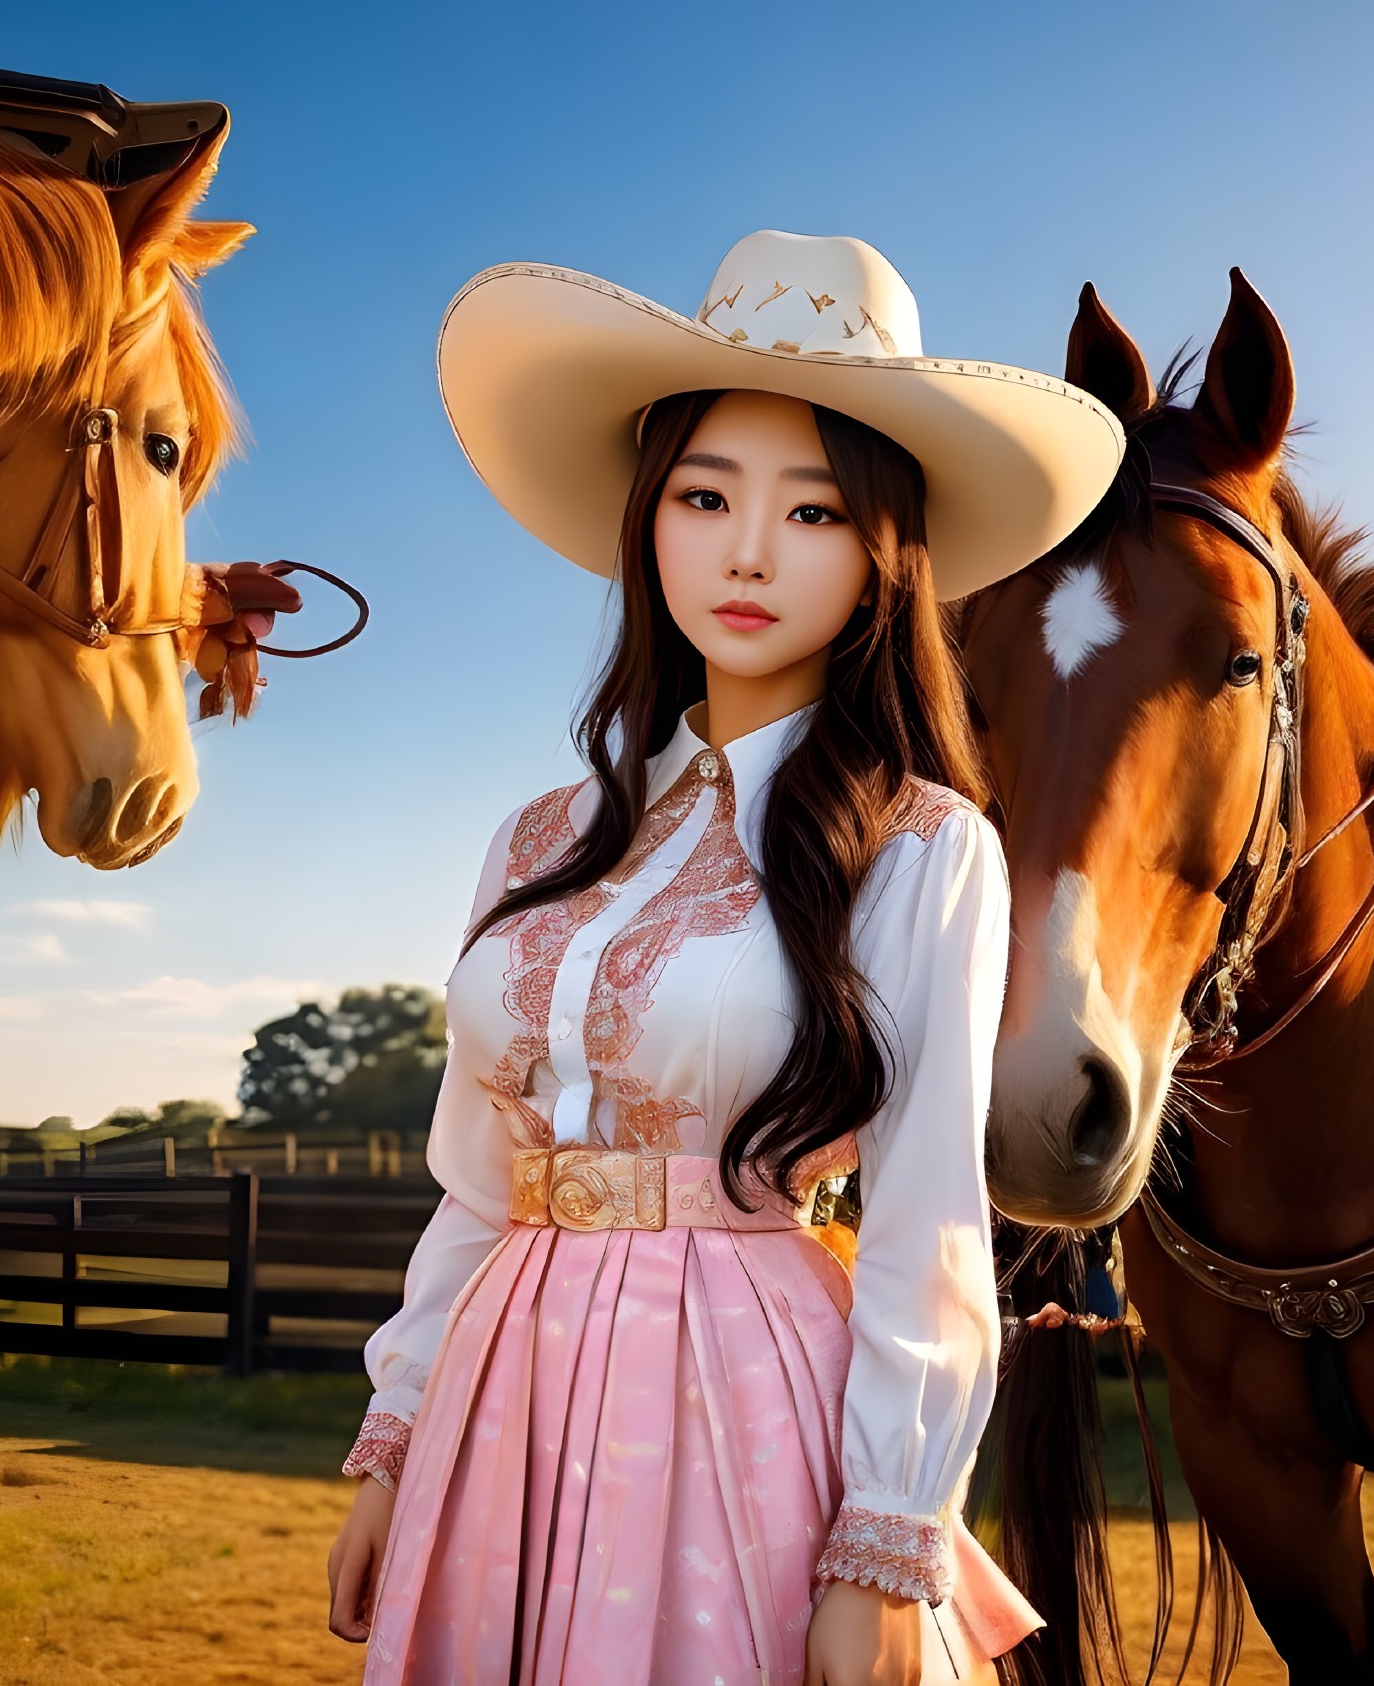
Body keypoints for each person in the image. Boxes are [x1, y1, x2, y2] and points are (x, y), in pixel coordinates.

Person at [324, 231, 1125, 1685]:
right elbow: (474, 1180)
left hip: (739, 1403)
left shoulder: (925, 847)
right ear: (649, 523)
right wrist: (394, 1441)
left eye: (812, 513)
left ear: (887, 554)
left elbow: (929, 1228)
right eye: (705, 496)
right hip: (498, 1406)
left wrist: (888, 1539)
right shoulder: (534, 838)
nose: (748, 552)